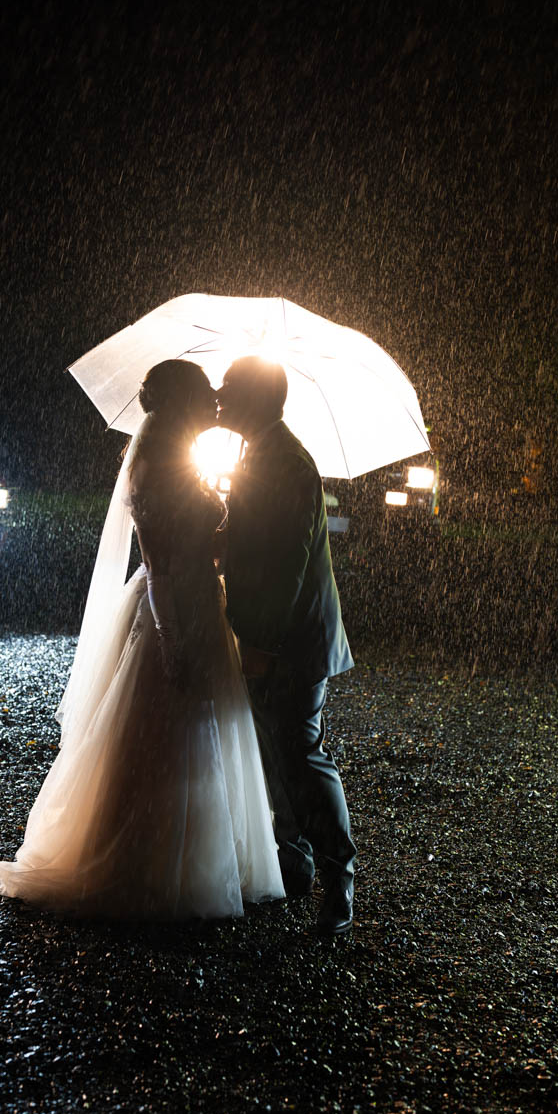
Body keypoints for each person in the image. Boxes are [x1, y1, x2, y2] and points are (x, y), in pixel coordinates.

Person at [0, 360, 284, 919]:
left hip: (202, 602)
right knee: (163, 731)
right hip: (171, 611)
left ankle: (205, 854)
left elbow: (199, 543)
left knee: (203, 734)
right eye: (205, 396)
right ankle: (143, 861)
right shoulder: (154, 466)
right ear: (180, 404)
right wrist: (172, 638)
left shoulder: (185, 460)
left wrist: (230, 527)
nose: (215, 405)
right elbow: (158, 564)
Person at [217, 356, 357, 934]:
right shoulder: (256, 454)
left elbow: (286, 567)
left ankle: (339, 881)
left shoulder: (289, 464)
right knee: (274, 752)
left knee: (301, 755)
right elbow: (252, 545)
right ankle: (294, 864)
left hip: (292, 642)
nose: (220, 399)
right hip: (268, 637)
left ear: (258, 399)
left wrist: (263, 644)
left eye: (230, 390)